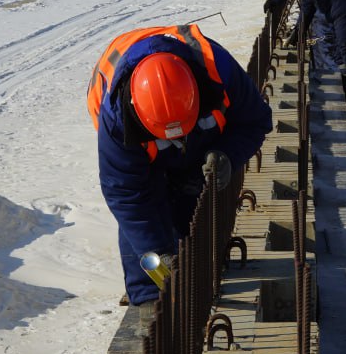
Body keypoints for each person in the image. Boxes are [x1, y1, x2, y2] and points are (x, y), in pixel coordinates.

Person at [87, 23, 273, 312]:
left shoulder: (219, 71)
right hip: (136, 150)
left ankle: (194, 281)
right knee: (145, 225)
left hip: (199, 144)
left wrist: (226, 155)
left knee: (190, 208)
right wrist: (159, 255)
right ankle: (150, 300)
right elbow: (128, 194)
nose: (173, 141)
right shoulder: (117, 119)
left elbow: (255, 120)